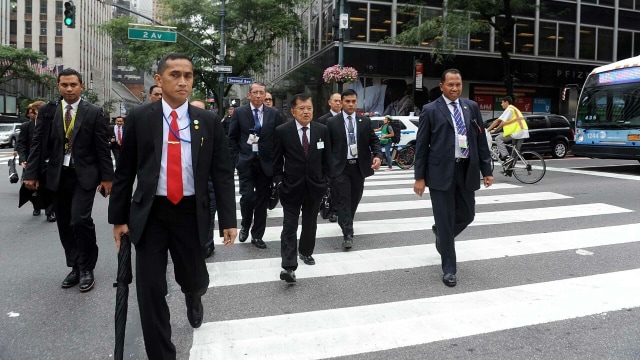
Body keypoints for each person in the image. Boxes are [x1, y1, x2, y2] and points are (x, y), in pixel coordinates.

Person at [109, 53, 237, 359]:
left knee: (194, 278)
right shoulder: (141, 117)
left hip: (191, 212)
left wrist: (229, 219)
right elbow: (125, 171)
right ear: (159, 80)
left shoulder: (207, 120)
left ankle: (194, 296)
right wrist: (119, 219)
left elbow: (221, 171)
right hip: (151, 214)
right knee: (150, 291)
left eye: (188, 76)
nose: (183, 81)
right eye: (175, 75)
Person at [23, 68, 114, 293]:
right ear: (59, 87)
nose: (69, 89)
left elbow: (103, 147)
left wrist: (107, 177)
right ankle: (74, 265)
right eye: (64, 85)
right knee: (64, 222)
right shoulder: (47, 111)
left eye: (73, 84)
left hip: (84, 175)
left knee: (79, 219)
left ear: (81, 86)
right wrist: (31, 174)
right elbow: (37, 143)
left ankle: (87, 267)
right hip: (57, 174)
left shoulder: (93, 111)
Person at [413, 68, 493, 287]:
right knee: (445, 219)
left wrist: (487, 170)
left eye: (458, 84)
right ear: (442, 86)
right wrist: (419, 177)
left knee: (467, 215)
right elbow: (421, 146)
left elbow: (480, 141)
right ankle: (449, 269)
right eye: (450, 84)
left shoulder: (471, 107)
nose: (455, 88)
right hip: (439, 173)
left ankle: (441, 234)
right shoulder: (430, 110)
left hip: (466, 170)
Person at [273, 94, 331, 283]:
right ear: (293, 111)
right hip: (291, 187)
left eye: (309, 108)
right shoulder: (283, 131)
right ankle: (288, 266)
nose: (306, 112)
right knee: (289, 226)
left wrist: (326, 181)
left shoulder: (322, 130)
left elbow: (327, 158)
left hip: (315, 186)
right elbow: (276, 160)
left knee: (309, 223)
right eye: (302, 108)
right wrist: (280, 181)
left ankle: (306, 252)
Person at [228, 82, 283, 249]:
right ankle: (245, 225)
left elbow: (278, 140)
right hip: (246, 162)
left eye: (262, 93)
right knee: (247, 198)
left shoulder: (273, 114)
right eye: (256, 92)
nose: (259, 96)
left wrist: (277, 166)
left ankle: (257, 235)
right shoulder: (239, 112)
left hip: (266, 164)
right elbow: (232, 138)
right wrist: (236, 159)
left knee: (262, 201)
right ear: (249, 95)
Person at [326, 89, 383, 249]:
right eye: (347, 101)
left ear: (356, 102)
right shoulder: (332, 122)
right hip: (340, 168)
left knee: (355, 198)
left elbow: (374, 141)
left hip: (359, 167)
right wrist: (328, 169)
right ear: (342, 102)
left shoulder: (364, 121)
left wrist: (378, 155)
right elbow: (328, 147)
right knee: (344, 199)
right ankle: (348, 234)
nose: (351, 104)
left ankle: (345, 221)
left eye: (353, 101)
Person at [16, 101, 56, 221]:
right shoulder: (26, 126)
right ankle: (36, 206)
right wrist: (23, 159)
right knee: (31, 186)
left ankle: (50, 212)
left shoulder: (51, 125)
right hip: (31, 161)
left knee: (49, 186)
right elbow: (21, 144)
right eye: (35, 113)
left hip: (47, 161)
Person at [190, 99, 216, 258]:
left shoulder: (212, 131)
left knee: (209, 215)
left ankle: (207, 244)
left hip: (209, 185)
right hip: (188, 186)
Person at [316, 92, 342, 222]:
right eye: (335, 101)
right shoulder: (323, 120)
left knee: (339, 186)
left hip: (342, 159)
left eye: (340, 101)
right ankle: (330, 209)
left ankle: (338, 209)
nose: (338, 103)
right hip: (328, 158)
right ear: (329, 102)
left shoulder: (346, 118)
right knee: (329, 185)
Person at [486, 96, 529, 165]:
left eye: (502, 102)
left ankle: (506, 156)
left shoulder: (509, 109)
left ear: (507, 102)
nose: (501, 104)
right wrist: (496, 130)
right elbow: (503, 123)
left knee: (498, 139)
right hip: (523, 132)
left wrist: (487, 129)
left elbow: (498, 121)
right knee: (515, 152)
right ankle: (510, 169)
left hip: (516, 132)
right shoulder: (514, 109)